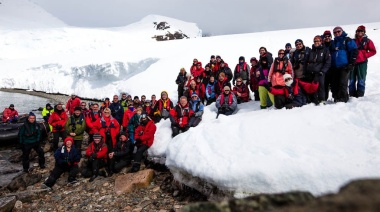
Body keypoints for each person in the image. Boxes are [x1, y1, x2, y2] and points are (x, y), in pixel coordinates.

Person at [330, 26, 358, 103]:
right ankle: (336, 97)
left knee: (343, 83)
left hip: (344, 65)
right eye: (335, 32)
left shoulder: (347, 40)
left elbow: (354, 50)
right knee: (334, 83)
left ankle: (343, 98)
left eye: (338, 31)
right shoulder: (333, 42)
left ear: (342, 31)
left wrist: (351, 63)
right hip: (335, 66)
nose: (337, 33)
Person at [349, 25, 377, 98]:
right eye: (358, 31)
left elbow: (373, 51)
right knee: (351, 79)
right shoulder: (353, 41)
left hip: (362, 62)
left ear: (364, 32)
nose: (360, 32)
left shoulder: (367, 41)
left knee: (361, 79)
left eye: (361, 31)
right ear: (356, 32)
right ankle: (352, 95)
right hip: (353, 62)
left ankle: (360, 95)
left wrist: (365, 55)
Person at [304, 35, 331, 104]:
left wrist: (323, 71)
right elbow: (306, 61)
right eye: (315, 41)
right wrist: (306, 70)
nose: (316, 42)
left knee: (321, 86)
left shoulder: (325, 50)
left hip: (319, 71)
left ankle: (322, 100)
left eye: (318, 41)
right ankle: (313, 100)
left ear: (321, 41)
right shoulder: (311, 50)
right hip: (311, 71)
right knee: (311, 86)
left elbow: (328, 62)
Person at [322, 30, 334, 100]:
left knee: (333, 83)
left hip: (333, 66)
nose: (327, 38)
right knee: (325, 83)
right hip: (325, 67)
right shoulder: (323, 46)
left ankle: (335, 96)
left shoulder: (334, 43)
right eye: (325, 36)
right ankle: (325, 97)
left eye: (328, 36)